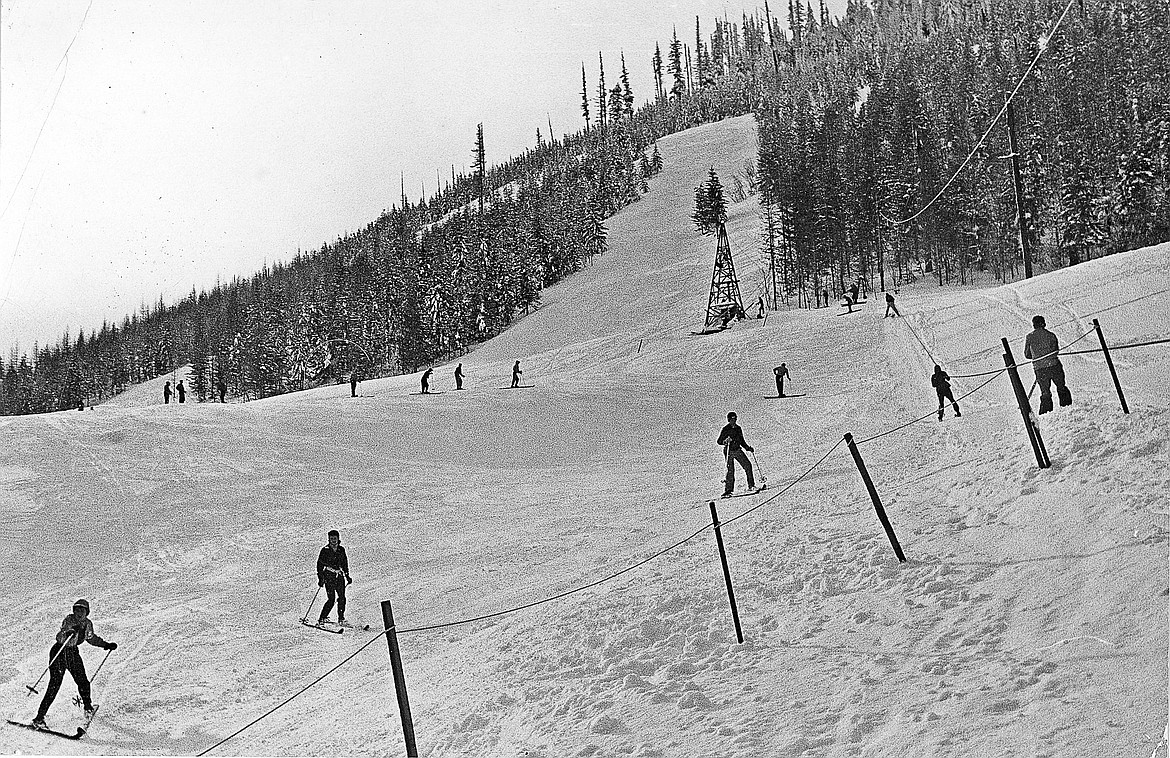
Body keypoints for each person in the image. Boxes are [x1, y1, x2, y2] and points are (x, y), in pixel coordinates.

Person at [32, 599, 117, 729]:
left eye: (82, 610)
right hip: (60, 652)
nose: (79, 613)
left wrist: (105, 645)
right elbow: (60, 636)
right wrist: (68, 633)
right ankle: (39, 718)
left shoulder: (88, 624)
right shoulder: (69, 620)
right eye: (77, 610)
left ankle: (88, 708)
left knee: (83, 681)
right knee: (54, 685)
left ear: (87, 612)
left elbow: (91, 638)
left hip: (72, 654)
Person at [1024, 315, 1072, 414]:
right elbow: (1055, 351)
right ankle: (1067, 408)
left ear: (1034, 325)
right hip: (1054, 365)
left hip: (1040, 369)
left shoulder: (1029, 337)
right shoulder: (1051, 335)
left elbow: (1027, 354)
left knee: (1045, 392)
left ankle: (1046, 413)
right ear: (1043, 323)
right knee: (1061, 387)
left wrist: (1038, 355)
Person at [316, 530, 352, 626]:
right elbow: (319, 565)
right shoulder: (325, 550)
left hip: (339, 577)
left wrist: (347, 576)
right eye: (331, 539)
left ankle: (341, 618)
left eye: (335, 538)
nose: (333, 541)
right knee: (331, 599)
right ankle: (322, 618)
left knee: (342, 598)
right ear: (329, 539)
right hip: (329, 577)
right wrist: (321, 578)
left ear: (338, 538)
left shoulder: (341, 550)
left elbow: (345, 563)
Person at [716, 412, 755, 497]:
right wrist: (725, 441)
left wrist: (748, 448)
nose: (734, 421)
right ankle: (728, 490)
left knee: (747, 465)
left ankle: (751, 485)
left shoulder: (738, 428)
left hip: (737, 450)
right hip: (729, 451)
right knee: (730, 470)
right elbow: (719, 441)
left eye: (735, 419)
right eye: (732, 419)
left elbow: (742, 441)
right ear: (729, 420)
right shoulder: (726, 429)